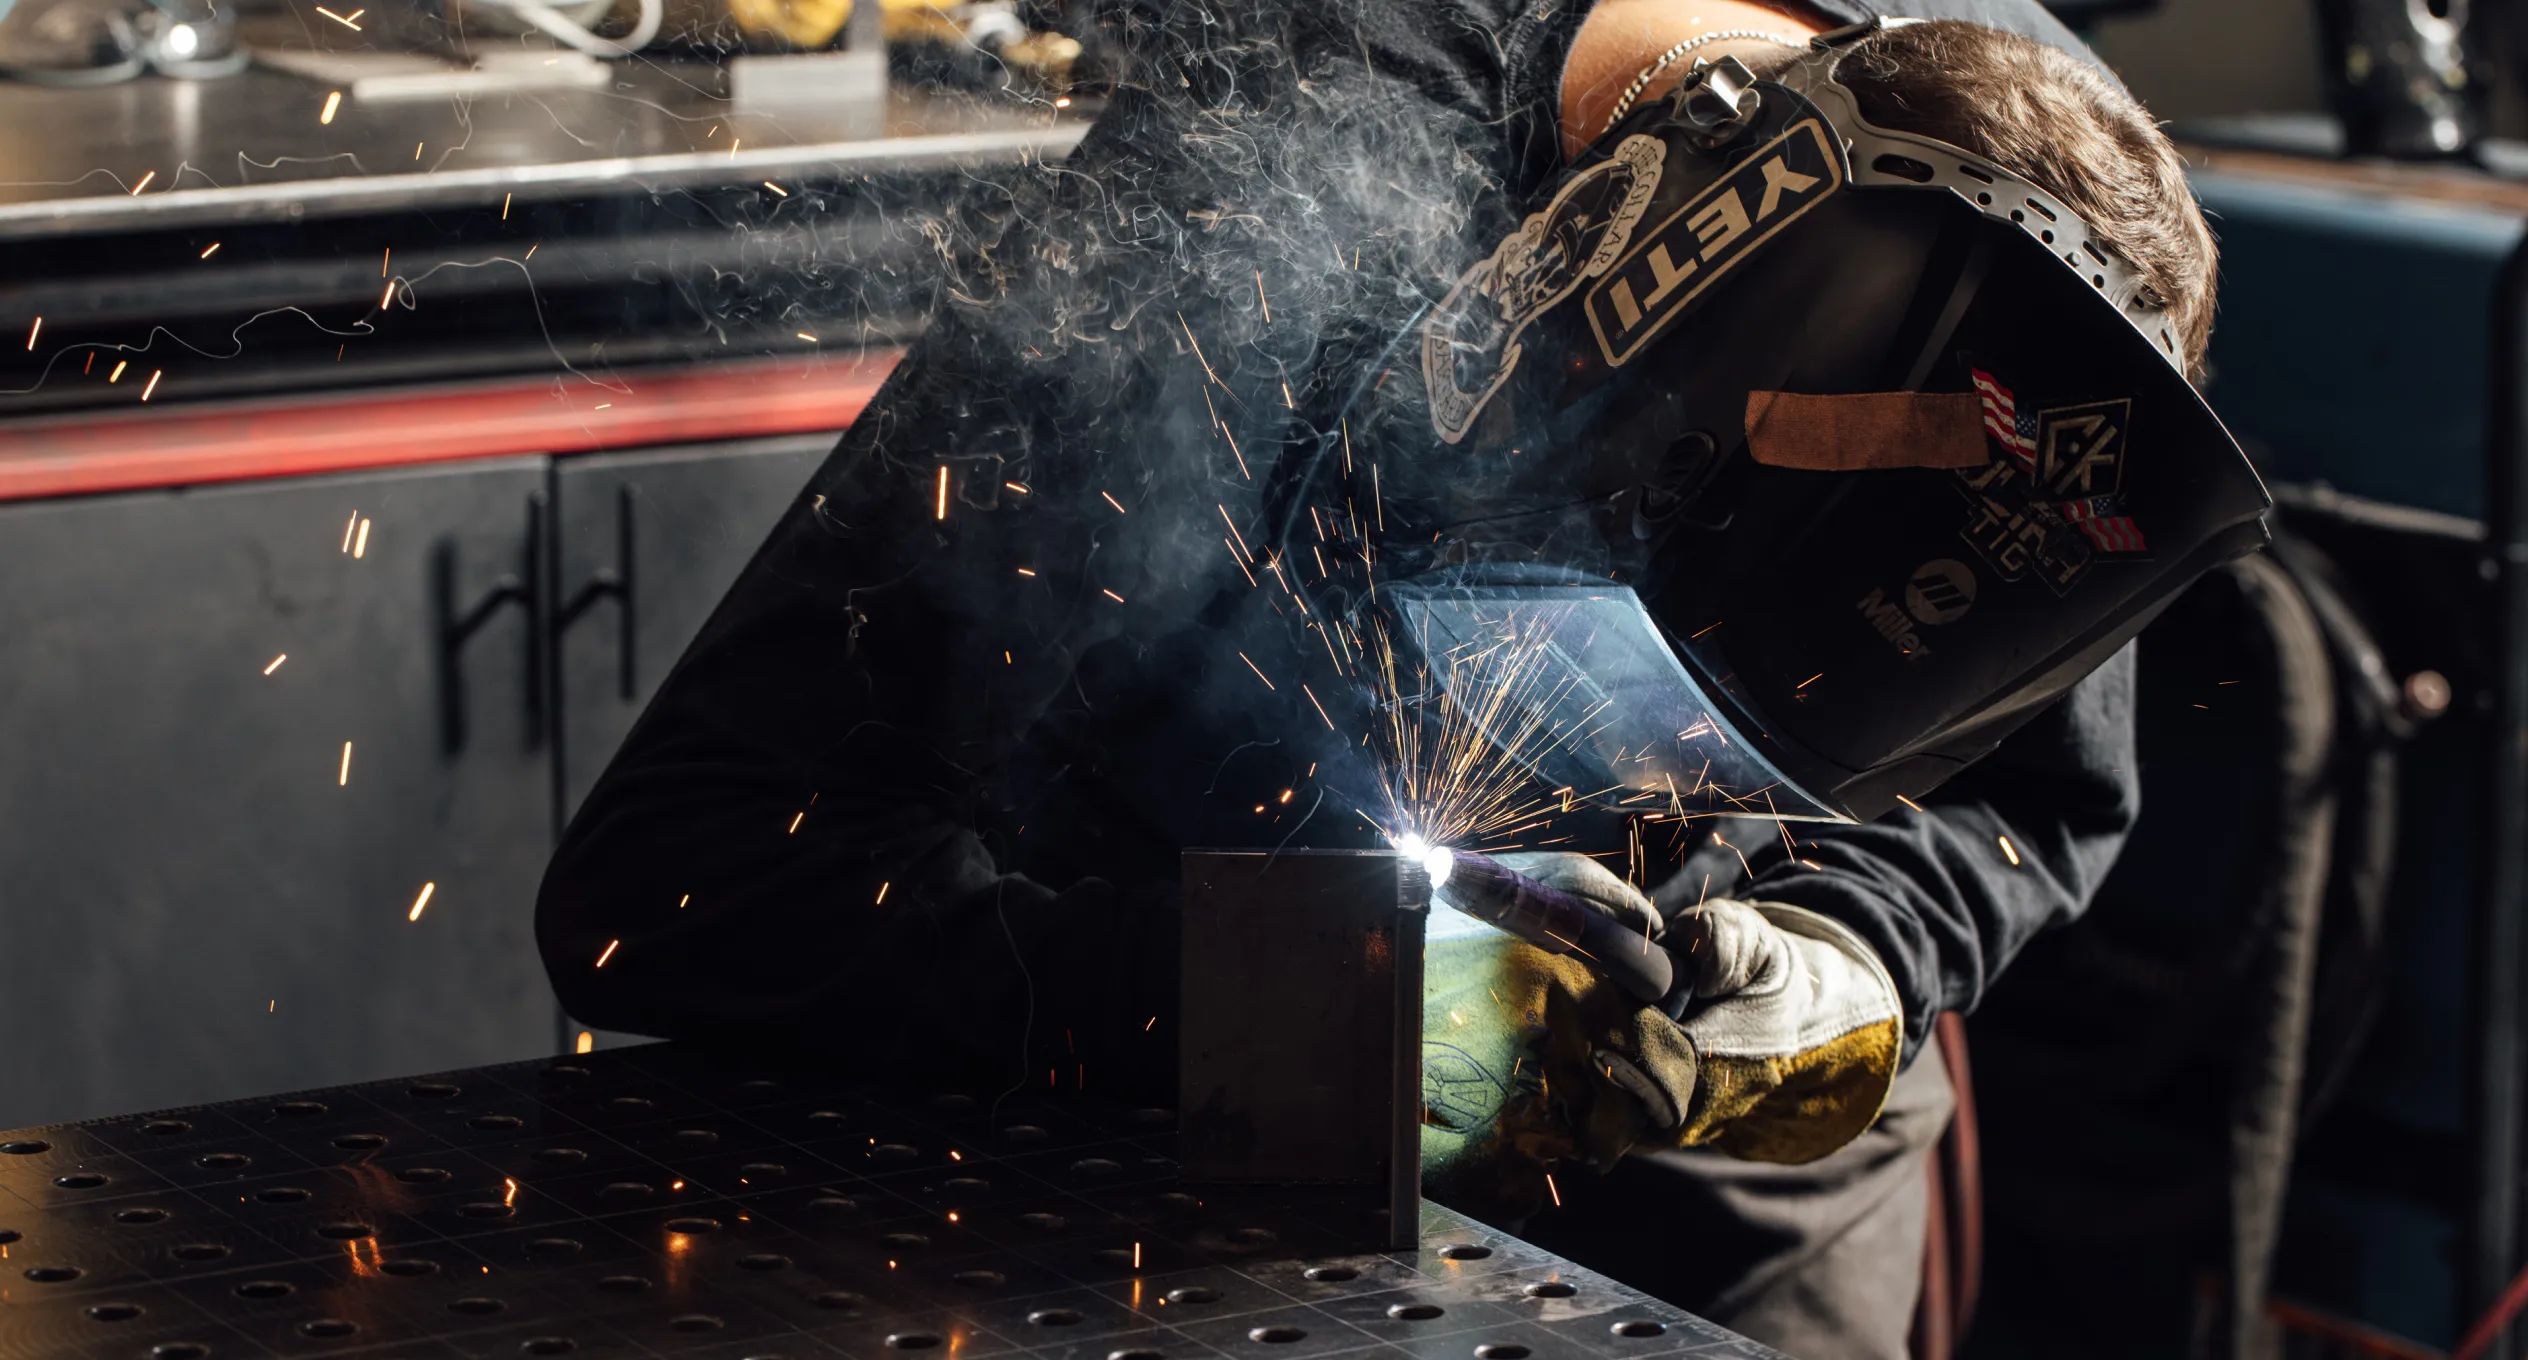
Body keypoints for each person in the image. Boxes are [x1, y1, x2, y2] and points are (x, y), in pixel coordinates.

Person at [538, 4, 2223, 1356]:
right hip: (1174, 1134)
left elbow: (2015, 798)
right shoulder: (1255, 192)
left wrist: (1849, 956)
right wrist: (1309, 1004)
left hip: (1724, 1181)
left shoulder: (2037, 307)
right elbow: (689, 876)